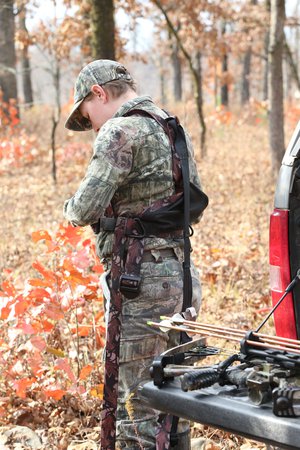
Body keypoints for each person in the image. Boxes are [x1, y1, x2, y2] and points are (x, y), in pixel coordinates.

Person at [63, 59, 203, 450]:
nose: (91, 124)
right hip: (184, 276)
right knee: (174, 402)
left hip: (141, 284)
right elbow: (196, 200)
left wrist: (67, 206)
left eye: (87, 115)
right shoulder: (170, 125)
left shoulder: (119, 131)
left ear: (99, 94)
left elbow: (83, 210)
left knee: (136, 410)